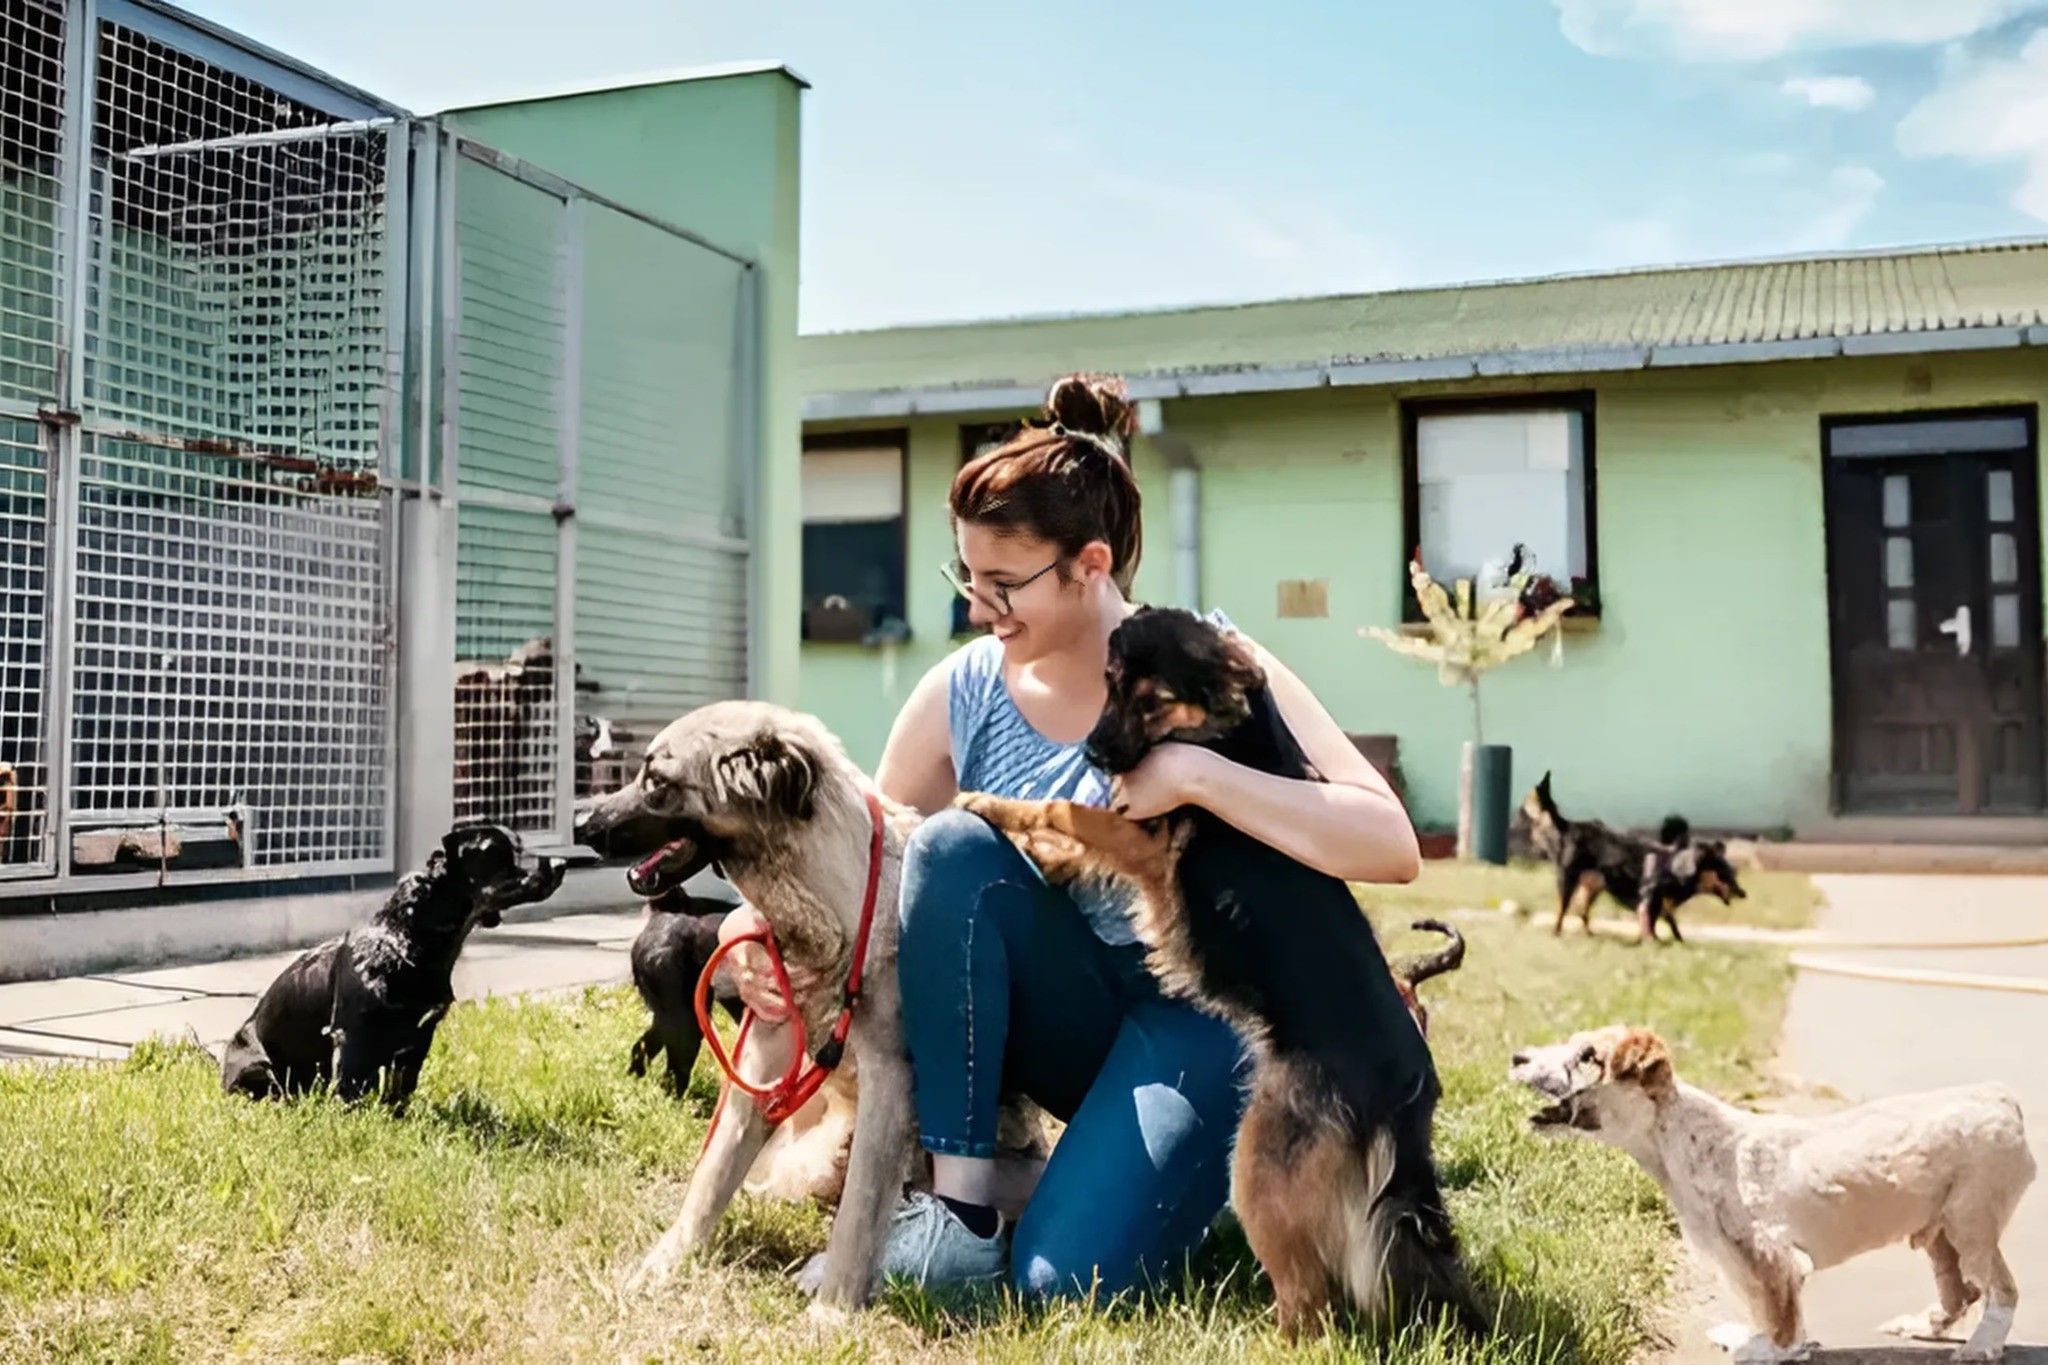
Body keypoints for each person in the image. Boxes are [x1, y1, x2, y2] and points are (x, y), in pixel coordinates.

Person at [721, 373, 1421, 1299]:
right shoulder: (962, 690)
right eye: (966, 579)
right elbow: (867, 868)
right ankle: (965, 1210)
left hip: (1202, 1020)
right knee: (950, 849)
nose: (979, 607)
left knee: (1064, 1278)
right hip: (1064, 1015)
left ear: (1091, 565)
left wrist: (1199, 774)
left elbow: (1389, 841)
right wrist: (747, 934)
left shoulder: (1209, 661)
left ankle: (1159, 1179)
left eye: (1005, 584)